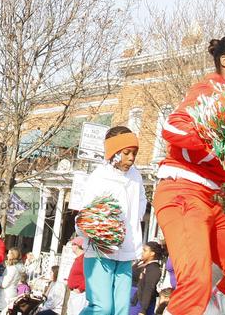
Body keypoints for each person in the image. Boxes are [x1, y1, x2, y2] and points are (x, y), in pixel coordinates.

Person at [153, 35, 225, 315]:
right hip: (182, 193)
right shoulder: (210, 90)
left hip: (207, 198)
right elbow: (172, 129)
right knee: (195, 282)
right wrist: (213, 141)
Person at [79, 126, 148, 315]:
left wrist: (134, 220)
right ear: (114, 153)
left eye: (134, 153)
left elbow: (142, 201)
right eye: (126, 153)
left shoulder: (136, 176)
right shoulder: (99, 177)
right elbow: (86, 213)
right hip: (100, 251)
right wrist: (103, 228)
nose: (131, 158)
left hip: (126, 251)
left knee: (120, 310)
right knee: (102, 308)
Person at [130, 242, 164, 315]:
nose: (142, 252)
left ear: (152, 253)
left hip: (140, 303)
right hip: (132, 300)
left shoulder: (154, 269)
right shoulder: (141, 263)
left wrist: (143, 310)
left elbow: (148, 289)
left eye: (145, 250)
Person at [0, 248, 26, 315]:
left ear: (13, 255)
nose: (7, 255)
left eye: (9, 253)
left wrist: (0, 276)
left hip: (6, 296)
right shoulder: (17, 267)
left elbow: (3, 284)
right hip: (12, 293)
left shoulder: (12, 268)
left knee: (3, 312)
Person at [67, 239, 87, 315]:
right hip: (74, 293)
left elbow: (88, 277)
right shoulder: (78, 259)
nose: (71, 246)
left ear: (77, 246)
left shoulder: (83, 259)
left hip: (79, 295)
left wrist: (80, 288)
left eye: (73, 244)